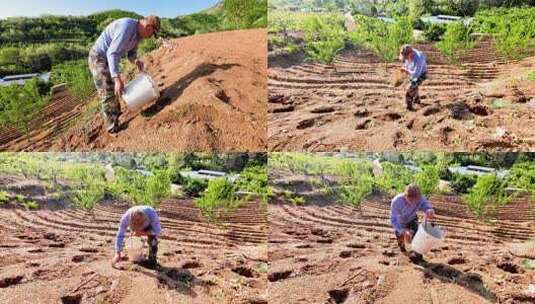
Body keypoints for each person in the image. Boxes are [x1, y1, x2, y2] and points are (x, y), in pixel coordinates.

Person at [89, 15, 160, 134]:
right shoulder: (126, 27)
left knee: (114, 89)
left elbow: (131, 54)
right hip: (99, 57)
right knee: (107, 91)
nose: (150, 37)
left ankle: (115, 113)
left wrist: (136, 60)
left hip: (109, 58)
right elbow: (112, 53)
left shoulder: (138, 36)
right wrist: (117, 78)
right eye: (152, 34)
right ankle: (112, 127)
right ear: (148, 27)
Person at [390, 184, 435, 262]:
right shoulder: (396, 201)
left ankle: (418, 257)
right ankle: (402, 248)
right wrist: (403, 231)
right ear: (405, 196)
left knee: (416, 236)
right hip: (400, 222)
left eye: (416, 201)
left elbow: (426, 206)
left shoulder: (421, 199)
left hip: (412, 218)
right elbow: (393, 220)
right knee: (401, 240)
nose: (414, 203)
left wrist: (429, 210)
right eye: (411, 201)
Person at [399, 45, 428, 111]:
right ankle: (417, 100)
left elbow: (416, 74)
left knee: (410, 87)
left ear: (411, 53)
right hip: (413, 72)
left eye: (406, 57)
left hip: (421, 74)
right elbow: (407, 62)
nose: (405, 58)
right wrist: (404, 67)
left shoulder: (419, 58)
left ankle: (409, 107)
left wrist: (407, 71)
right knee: (414, 86)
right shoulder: (408, 52)